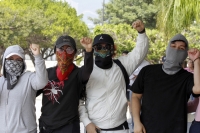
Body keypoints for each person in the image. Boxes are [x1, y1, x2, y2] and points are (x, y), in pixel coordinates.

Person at [79, 19, 149, 133]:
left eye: (107, 47)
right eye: (99, 47)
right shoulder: (86, 71)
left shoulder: (122, 66)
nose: (103, 50)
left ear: (113, 49)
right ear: (93, 50)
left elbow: (139, 53)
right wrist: (87, 123)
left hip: (120, 129)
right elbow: (79, 101)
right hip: (94, 129)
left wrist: (141, 32)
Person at [131, 33, 200, 133]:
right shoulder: (148, 71)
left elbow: (198, 89)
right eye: (173, 46)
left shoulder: (187, 77)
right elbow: (135, 96)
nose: (176, 50)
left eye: (181, 48)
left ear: (185, 53)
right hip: (147, 128)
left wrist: (196, 59)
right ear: (167, 48)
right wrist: (137, 123)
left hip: (176, 129)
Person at [37, 35, 94, 133]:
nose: (64, 53)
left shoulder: (78, 74)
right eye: (61, 49)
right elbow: (30, 92)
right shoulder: (46, 74)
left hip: (68, 126)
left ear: (75, 52)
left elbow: (88, 70)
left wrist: (88, 51)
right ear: (55, 51)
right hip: (46, 126)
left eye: (69, 49)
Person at [0, 44, 48, 133]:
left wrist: (37, 56)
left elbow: (42, 82)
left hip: (26, 131)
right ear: (4, 61)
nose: (14, 62)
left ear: (23, 62)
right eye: (10, 59)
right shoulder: (1, 81)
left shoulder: (29, 78)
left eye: (18, 60)